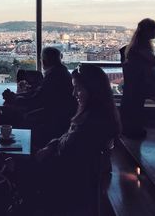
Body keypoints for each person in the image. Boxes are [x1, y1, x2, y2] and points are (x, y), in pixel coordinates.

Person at [35, 65, 121, 213]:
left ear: (92, 91)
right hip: (77, 178)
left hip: (68, 181)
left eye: (78, 88)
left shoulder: (91, 123)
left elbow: (68, 150)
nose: (74, 93)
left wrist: (47, 149)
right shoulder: (98, 116)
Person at [3, 47, 76, 143]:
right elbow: (39, 94)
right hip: (62, 118)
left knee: (13, 115)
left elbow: (36, 100)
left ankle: (20, 145)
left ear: (44, 62)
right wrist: (17, 96)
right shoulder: (60, 73)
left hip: (54, 120)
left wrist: (15, 99)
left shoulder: (53, 76)